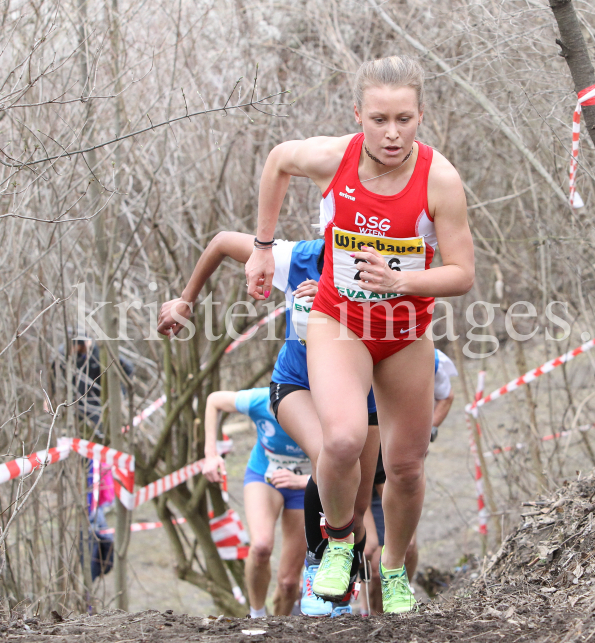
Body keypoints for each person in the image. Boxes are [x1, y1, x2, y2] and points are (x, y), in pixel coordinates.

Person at [243, 55, 474, 613]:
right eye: (379, 119)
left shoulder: (439, 180)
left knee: (405, 466)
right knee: (344, 440)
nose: (392, 133)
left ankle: (392, 569)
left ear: (421, 116)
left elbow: (462, 275)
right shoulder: (332, 159)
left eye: (403, 119)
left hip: (404, 334)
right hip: (338, 322)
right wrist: (262, 245)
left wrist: (401, 279)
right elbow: (276, 161)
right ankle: (340, 542)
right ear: (359, 116)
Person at [158, 232, 381, 617]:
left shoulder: (382, 265)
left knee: (357, 509)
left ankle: (346, 588)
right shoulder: (298, 258)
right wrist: (186, 299)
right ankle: (317, 572)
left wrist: (335, 302)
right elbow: (223, 242)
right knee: (331, 453)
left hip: (362, 391)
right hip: (296, 383)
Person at [362, 347, 457, 613]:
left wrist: (428, 432)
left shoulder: (425, 355)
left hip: (392, 459)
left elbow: (446, 396)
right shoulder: (348, 350)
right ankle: (364, 610)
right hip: (357, 457)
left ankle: (400, 591)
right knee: (368, 548)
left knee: (409, 545)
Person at [202, 387, 310, 618]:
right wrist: (211, 454)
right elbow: (214, 400)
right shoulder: (262, 399)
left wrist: (303, 480)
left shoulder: (324, 406)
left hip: (307, 483)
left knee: (290, 582)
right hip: (264, 475)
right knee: (261, 547)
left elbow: (347, 458)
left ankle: (280, 629)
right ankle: (257, 616)